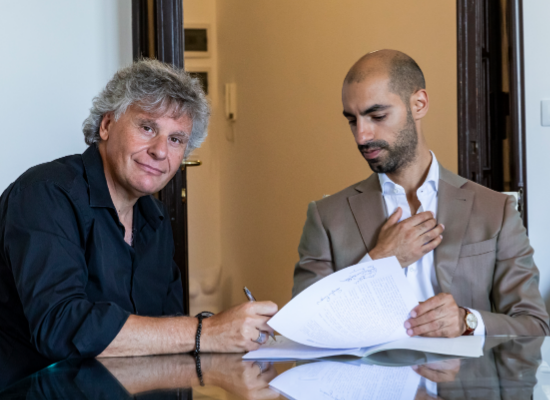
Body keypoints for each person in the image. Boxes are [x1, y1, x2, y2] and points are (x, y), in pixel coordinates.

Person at [0, 60, 277, 386]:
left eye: (176, 139)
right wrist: (208, 331)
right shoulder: (45, 193)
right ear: (106, 125)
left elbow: (167, 333)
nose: (160, 151)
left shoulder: (156, 220)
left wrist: (227, 337)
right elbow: (60, 327)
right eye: (147, 128)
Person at [292, 49, 549, 338]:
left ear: (419, 104)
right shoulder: (326, 218)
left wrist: (467, 321)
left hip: (463, 369)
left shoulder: (496, 210)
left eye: (377, 115)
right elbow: (302, 327)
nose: (362, 136)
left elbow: (535, 326)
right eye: (353, 120)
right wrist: (379, 263)